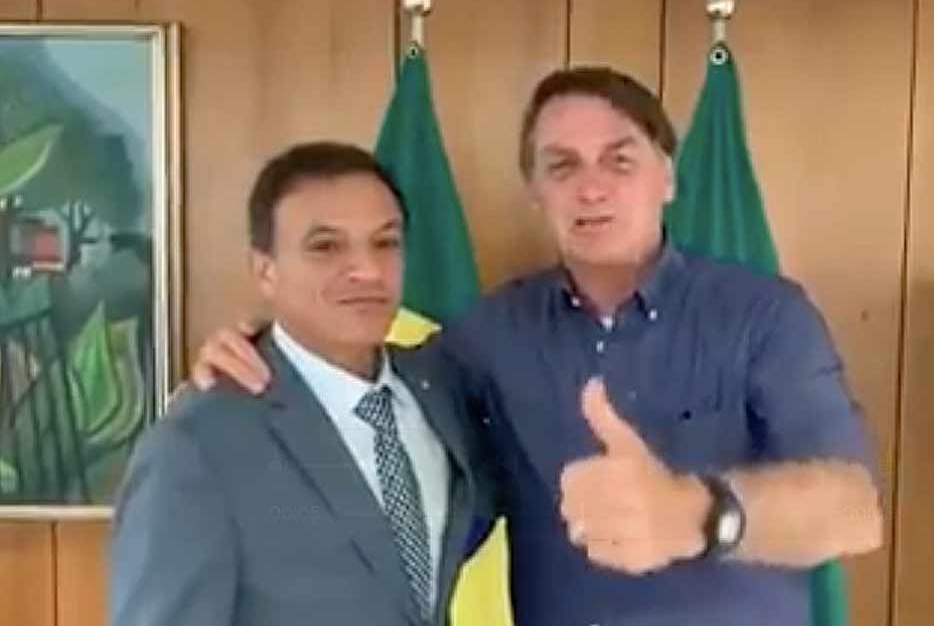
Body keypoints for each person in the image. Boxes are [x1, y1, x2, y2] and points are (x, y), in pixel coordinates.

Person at [192, 68, 883, 625]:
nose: (592, 187)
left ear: (668, 177)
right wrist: (262, 345)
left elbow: (855, 512)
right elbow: (359, 386)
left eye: (619, 160)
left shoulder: (765, 315)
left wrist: (697, 514)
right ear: (535, 191)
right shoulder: (488, 336)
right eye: (562, 166)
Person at [110, 143, 493, 626]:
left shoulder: (442, 391)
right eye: (326, 246)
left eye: (386, 242)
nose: (368, 270)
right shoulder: (196, 446)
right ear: (265, 271)